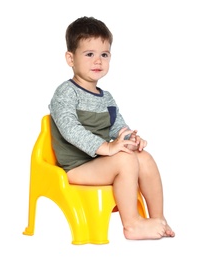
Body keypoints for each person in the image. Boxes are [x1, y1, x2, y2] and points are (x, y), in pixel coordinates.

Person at [49, 16, 175, 240]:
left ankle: (158, 218)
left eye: (104, 55)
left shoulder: (106, 97)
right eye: (89, 54)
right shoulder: (66, 93)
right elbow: (70, 129)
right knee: (125, 159)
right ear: (70, 58)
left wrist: (130, 139)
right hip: (76, 167)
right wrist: (106, 147)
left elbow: (117, 126)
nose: (98, 61)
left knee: (143, 157)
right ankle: (132, 224)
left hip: (100, 162)